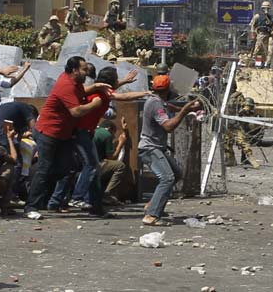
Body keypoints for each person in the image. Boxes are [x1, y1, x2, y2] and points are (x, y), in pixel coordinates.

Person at [50, 66, 149, 214]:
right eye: (116, 78)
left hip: (83, 132)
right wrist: (145, 93)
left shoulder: (100, 89)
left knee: (88, 169)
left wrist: (124, 81)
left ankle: (94, 207)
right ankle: (77, 197)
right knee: (91, 166)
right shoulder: (100, 93)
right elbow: (122, 97)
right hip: (81, 133)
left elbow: (111, 89)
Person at [23, 56, 111, 220]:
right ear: (75, 70)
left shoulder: (75, 83)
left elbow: (82, 92)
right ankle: (31, 206)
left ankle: (52, 200)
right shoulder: (66, 85)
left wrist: (96, 86)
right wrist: (94, 104)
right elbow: (76, 111)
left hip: (63, 134)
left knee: (68, 168)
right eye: (84, 69)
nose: (87, 72)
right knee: (44, 169)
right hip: (49, 133)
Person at [138, 75, 199, 226]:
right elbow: (168, 127)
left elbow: (168, 107)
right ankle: (151, 215)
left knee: (176, 173)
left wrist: (185, 109)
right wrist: (184, 111)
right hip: (150, 148)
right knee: (167, 178)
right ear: (167, 89)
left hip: (157, 148)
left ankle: (152, 205)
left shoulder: (158, 100)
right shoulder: (155, 104)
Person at [94, 119, 129, 205]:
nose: (113, 137)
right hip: (96, 165)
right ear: (109, 129)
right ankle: (107, 194)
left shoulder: (96, 131)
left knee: (109, 166)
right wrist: (120, 144)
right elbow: (112, 157)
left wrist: (124, 130)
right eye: (114, 133)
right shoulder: (107, 135)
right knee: (120, 166)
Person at [224, 94, 260, 168]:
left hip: (237, 125)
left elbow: (247, 106)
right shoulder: (224, 96)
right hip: (228, 124)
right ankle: (231, 160)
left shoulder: (238, 97)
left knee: (242, 142)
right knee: (227, 143)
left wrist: (242, 110)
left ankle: (251, 159)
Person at [249, 1, 273, 67]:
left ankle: (263, 63)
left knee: (265, 50)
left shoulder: (270, 17)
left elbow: (272, 25)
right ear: (262, 8)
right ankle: (253, 62)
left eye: (267, 9)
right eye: (264, 8)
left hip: (267, 35)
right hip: (260, 34)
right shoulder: (257, 16)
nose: (266, 10)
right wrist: (253, 33)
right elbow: (252, 25)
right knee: (257, 48)